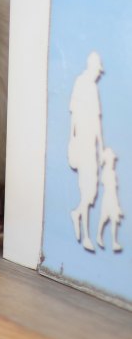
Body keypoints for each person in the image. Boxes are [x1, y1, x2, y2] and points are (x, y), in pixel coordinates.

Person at [68, 51, 105, 252]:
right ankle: (86, 234)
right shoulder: (83, 83)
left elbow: (97, 122)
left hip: (91, 145)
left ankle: (81, 220)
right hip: (83, 143)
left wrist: (100, 147)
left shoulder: (90, 85)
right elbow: (74, 119)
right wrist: (73, 144)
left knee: (91, 193)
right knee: (87, 191)